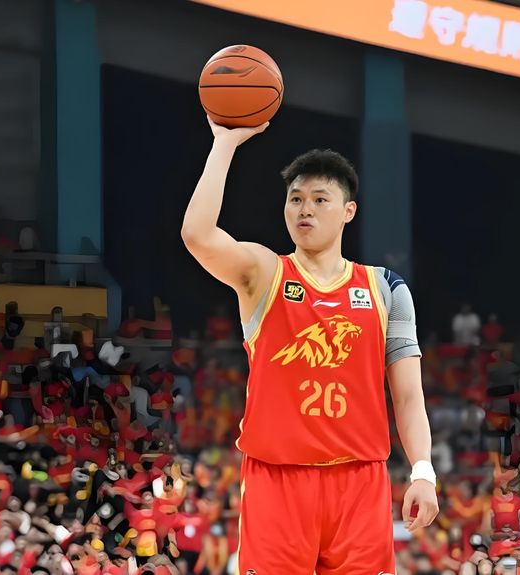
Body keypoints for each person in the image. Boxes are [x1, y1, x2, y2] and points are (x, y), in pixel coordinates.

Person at [181, 118, 439, 575]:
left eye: (320, 200)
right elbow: (198, 236)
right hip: (277, 480)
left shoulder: (386, 289)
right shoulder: (264, 273)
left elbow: (407, 396)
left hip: (359, 483)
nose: (306, 209)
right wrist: (224, 143)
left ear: (348, 211)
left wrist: (422, 470)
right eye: (296, 199)